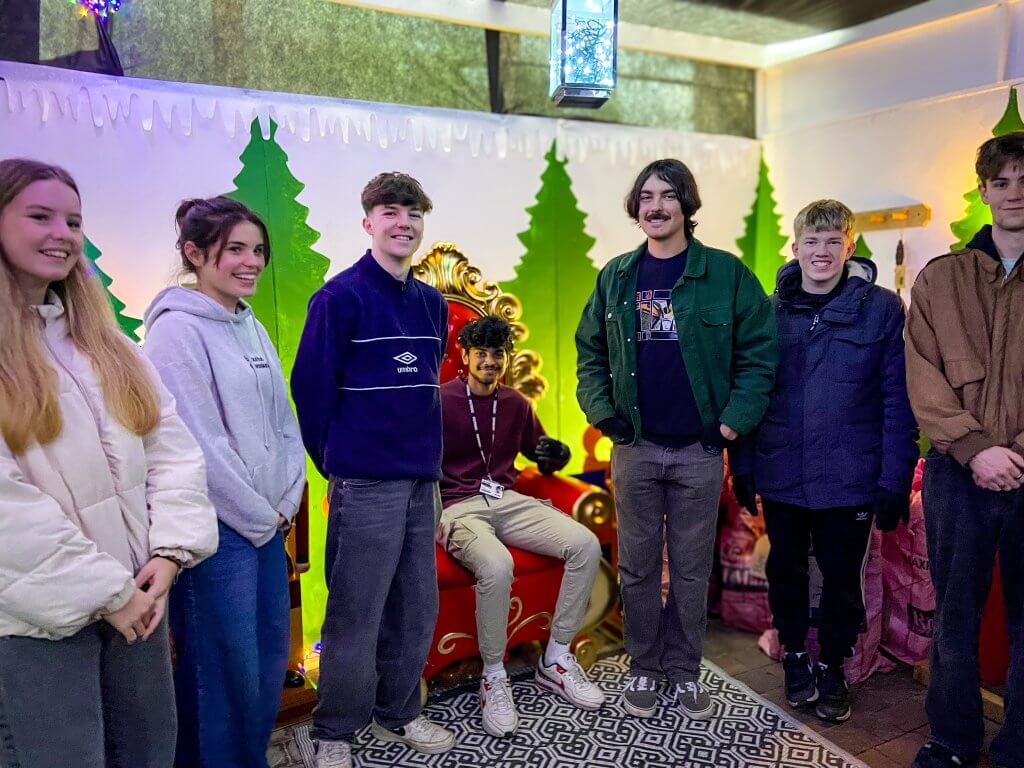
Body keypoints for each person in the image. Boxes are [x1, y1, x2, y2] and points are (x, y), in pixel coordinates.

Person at [0, 158, 218, 768]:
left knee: (148, 750)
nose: (62, 234)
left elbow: (170, 445)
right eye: (39, 216)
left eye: (73, 220)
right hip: (36, 622)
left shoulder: (104, 343)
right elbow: (6, 513)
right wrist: (107, 591)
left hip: (139, 597)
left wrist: (170, 554)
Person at [576, 158, 777, 721]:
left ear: (686, 204)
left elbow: (760, 353)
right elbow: (589, 352)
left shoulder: (726, 273)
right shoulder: (615, 275)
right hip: (635, 449)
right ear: (636, 208)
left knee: (691, 568)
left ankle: (684, 670)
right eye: (645, 196)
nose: (655, 206)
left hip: (700, 451)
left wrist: (733, 421)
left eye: (667, 195)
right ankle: (644, 666)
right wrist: (602, 414)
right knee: (638, 566)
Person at [730, 199, 918, 724]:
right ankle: (794, 655)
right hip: (782, 470)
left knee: (840, 577)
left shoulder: (881, 309)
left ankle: (833, 665)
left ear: (849, 246)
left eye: (833, 241)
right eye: (811, 241)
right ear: (795, 247)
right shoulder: (767, 312)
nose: (821, 252)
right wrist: (742, 463)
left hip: (851, 476)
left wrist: (895, 478)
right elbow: (749, 388)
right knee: (785, 569)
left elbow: (895, 399)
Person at [292, 172, 454, 768]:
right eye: (390, 211)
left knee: (417, 606)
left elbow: (425, 389)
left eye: (413, 212)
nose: (403, 223)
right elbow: (310, 392)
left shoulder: (432, 303)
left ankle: (400, 713)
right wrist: (336, 465)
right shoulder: (339, 298)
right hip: (365, 483)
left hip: (422, 484)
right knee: (356, 613)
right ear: (368, 222)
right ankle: (334, 729)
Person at [144, 196, 307, 767]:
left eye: (258, 250)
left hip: (266, 525)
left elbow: (285, 421)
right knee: (221, 671)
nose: (251, 261)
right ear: (194, 253)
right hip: (219, 533)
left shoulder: (251, 323)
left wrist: (288, 499)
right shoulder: (175, 332)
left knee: (263, 664)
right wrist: (264, 516)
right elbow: (198, 446)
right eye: (235, 248)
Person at [906, 132, 1024, 768]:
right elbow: (921, 374)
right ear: (983, 192)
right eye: (1001, 182)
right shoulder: (942, 278)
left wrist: (1015, 454)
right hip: (957, 472)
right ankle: (951, 738)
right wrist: (977, 448)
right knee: (954, 615)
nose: (1014, 193)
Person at [438, 315, 604, 738]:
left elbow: (540, 454)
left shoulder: (514, 403)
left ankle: (557, 658)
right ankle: (494, 675)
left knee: (585, 544)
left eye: (497, 353)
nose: (490, 361)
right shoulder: (439, 401)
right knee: (496, 565)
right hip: (458, 506)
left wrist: (557, 454)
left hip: (506, 499)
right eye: (482, 353)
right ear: (465, 355)